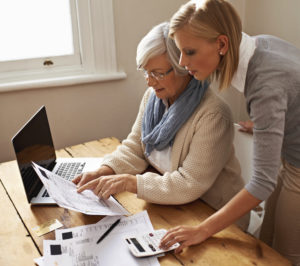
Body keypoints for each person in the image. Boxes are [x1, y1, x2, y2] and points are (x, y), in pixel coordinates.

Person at [159, 1, 300, 264]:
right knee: (266, 243)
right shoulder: (258, 45)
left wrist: (202, 230)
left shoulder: (264, 82)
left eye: (189, 52)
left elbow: (262, 183)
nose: (182, 62)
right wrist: (265, 124)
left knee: (284, 256)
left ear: (222, 45)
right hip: (290, 155)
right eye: (180, 52)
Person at [73, 21, 249, 229]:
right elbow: (135, 147)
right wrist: (104, 170)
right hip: (174, 208)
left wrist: (131, 182)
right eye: (146, 72)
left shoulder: (213, 115)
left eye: (157, 73)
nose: (149, 81)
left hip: (215, 217)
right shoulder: (153, 98)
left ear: (184, 68)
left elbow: (188, 184)